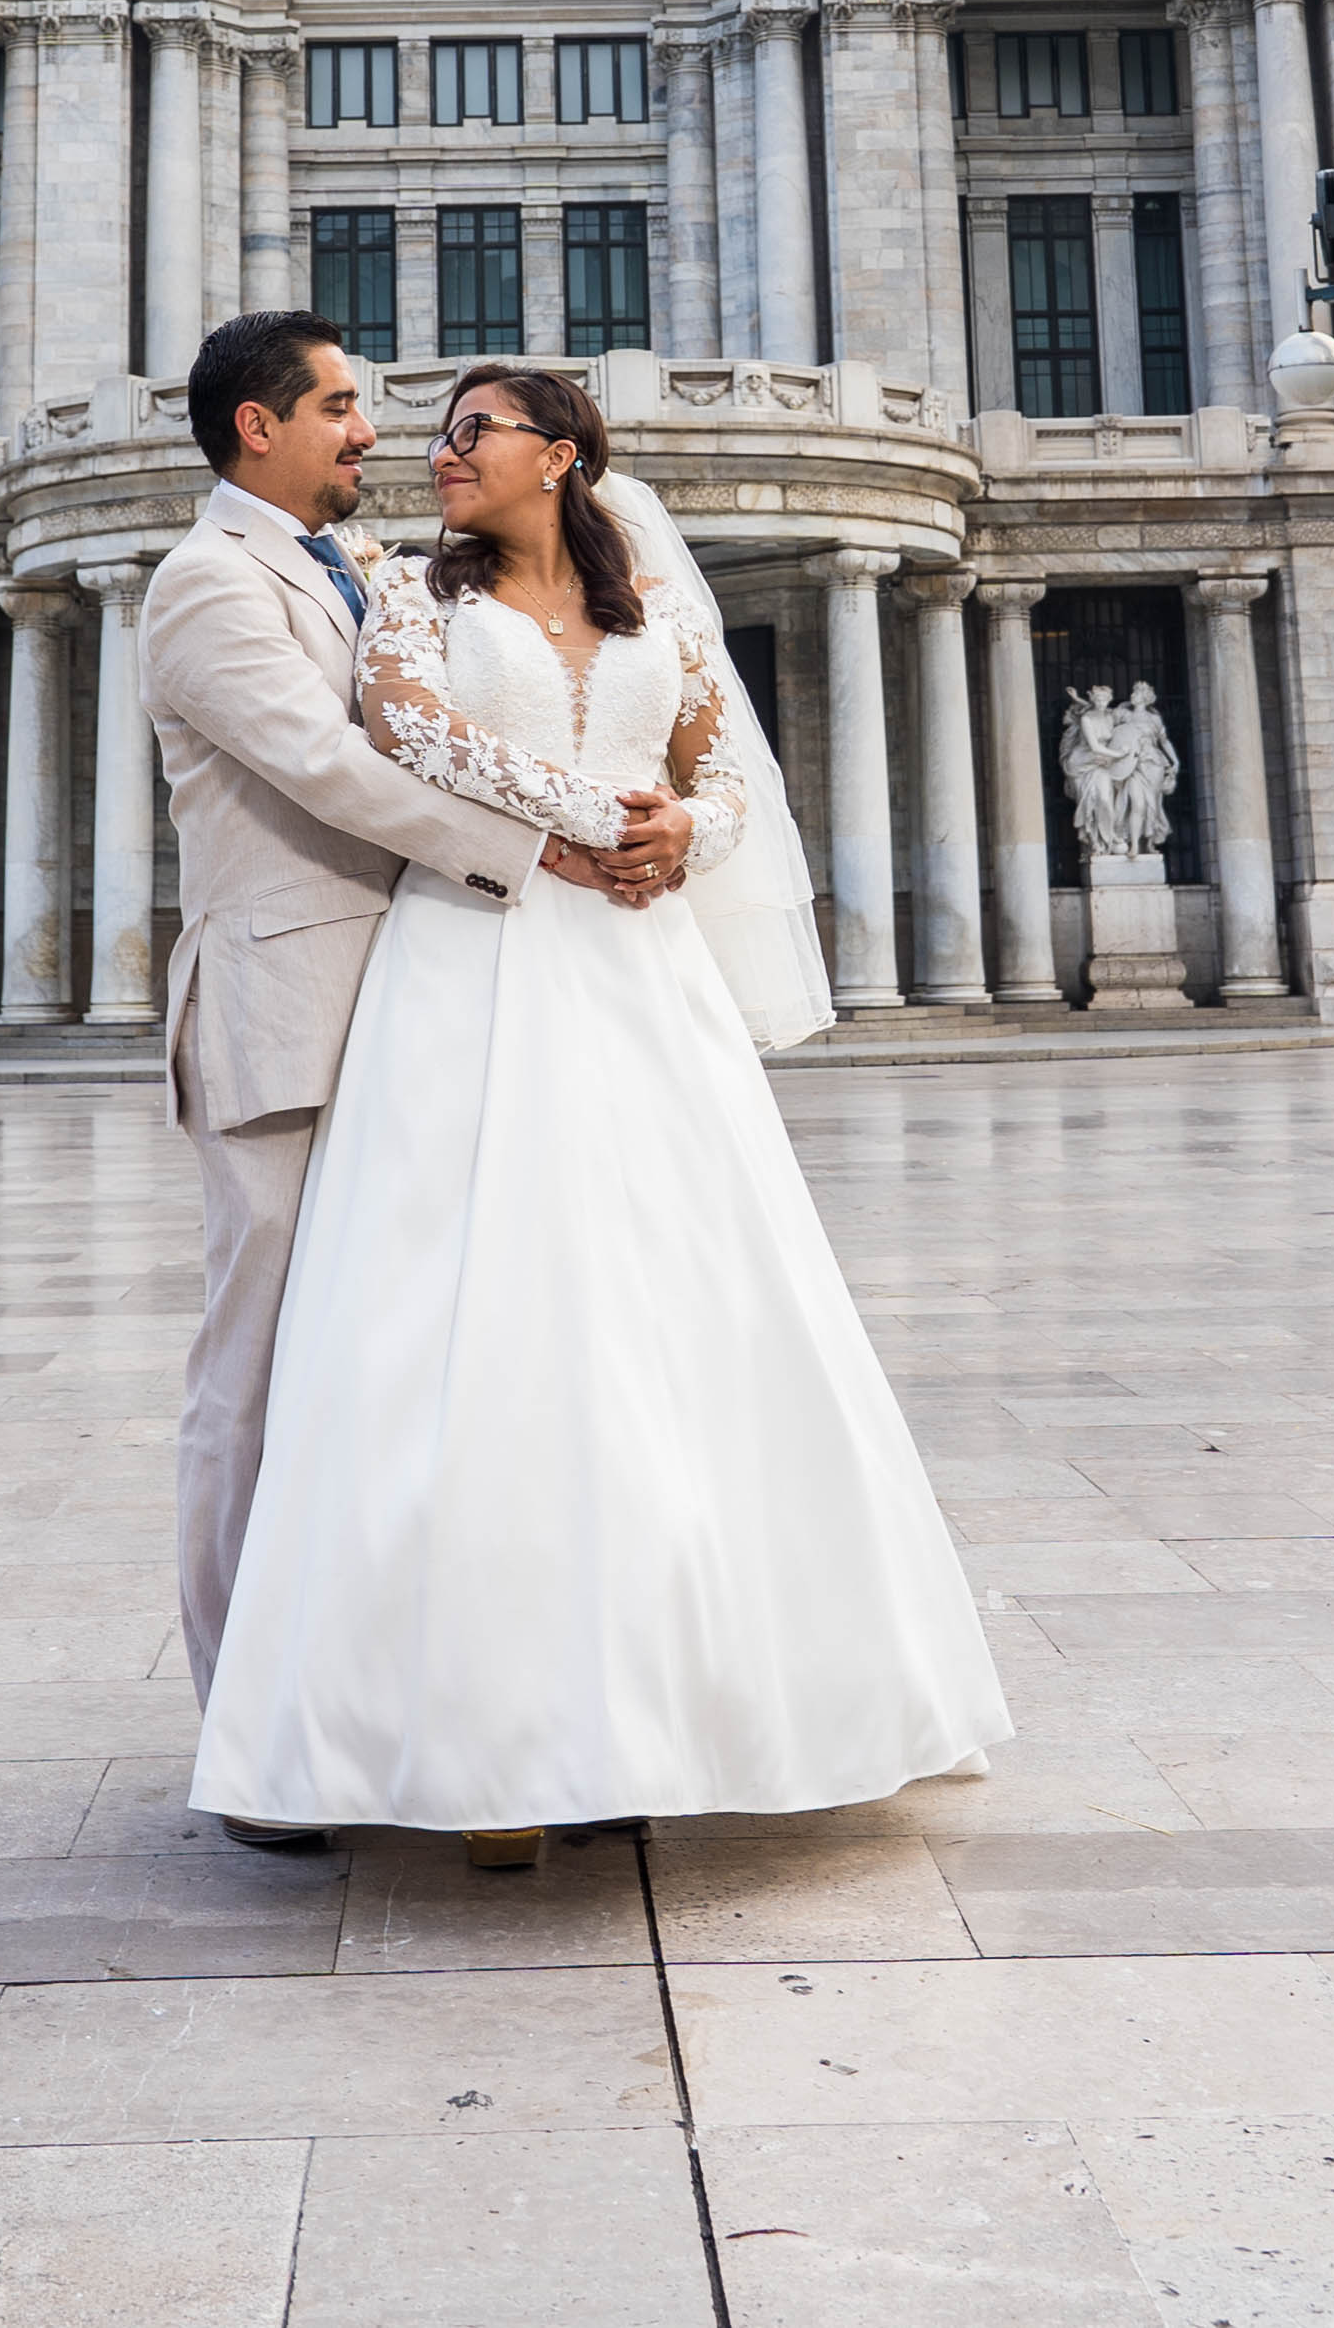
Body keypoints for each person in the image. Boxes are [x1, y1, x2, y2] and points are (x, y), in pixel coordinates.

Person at [188, 361, 1009, 1858]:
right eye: (431, 431)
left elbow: (725, 773)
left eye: (471, 431)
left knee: (672, 1318)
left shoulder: (657, 613)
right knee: (473, 1322)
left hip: (641, 976)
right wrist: (584, 824)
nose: (435, 451)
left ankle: (659, 1710)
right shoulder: (406, 593)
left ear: (560, 457)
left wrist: (685, 830)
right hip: (475, 960)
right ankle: (472, 1733)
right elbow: (406, 737)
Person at [138, 312, 694, 1846]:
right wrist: (545, 844)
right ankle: (252, 1736)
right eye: (340, 408)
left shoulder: (364, 569)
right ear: (259, 427)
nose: (372, 435)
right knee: (259, 1381)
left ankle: (434, 1700)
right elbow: (329, 769)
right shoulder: (205, 583)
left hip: (426, 1009)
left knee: (415, 1377)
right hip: (290, 1014)